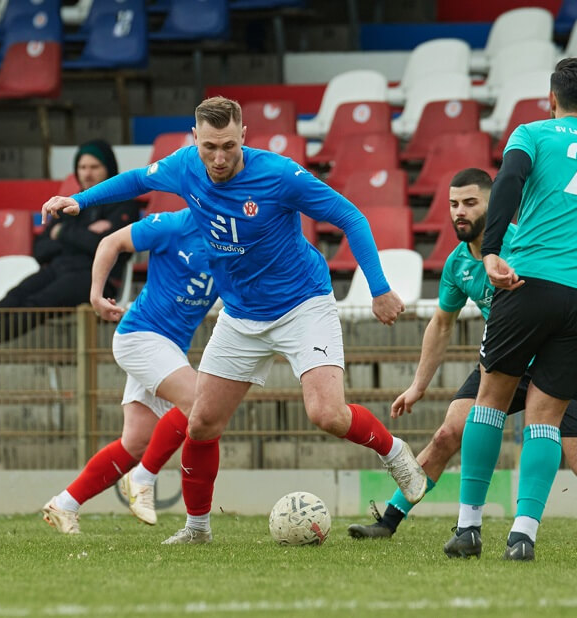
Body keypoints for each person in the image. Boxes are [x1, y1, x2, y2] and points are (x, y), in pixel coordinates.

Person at [43, 96, 428, 545]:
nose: (219, 158)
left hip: (302, 304)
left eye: (228, 145)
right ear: (195, 140)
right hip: (241, 315)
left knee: (326, 413)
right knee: (202, 422)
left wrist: (379, 288)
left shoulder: (279, 175)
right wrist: (80, 199)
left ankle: (396, 454)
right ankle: (197, 529)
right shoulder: (185, 166)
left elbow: (349, 216)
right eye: (209, 147)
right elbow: (133, 181)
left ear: (243, 135)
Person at [346, 168, 577, 543]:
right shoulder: (457, 264)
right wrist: (417, 385)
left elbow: (567, 304)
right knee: (448, 433)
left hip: (552, 364)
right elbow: (442, 324)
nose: (459, 212)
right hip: (501, 364)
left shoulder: (526, 245)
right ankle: (390, 520)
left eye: (469, 203)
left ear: (493, 205)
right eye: (453, 204)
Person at [444, 58, 577, 562]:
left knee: (490, 399)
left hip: (530, 282)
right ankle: (523, 535)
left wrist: (491, 251)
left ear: (550, 99)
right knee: (546, 420)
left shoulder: (532, 133)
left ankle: (468, 528)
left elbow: (508, 182)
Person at [41, 208, 216, 533]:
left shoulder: (236, 243)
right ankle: (143, 479)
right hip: (140, 336)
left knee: (135, 443)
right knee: (202, 404)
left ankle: (64, 504)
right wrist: (95, 295)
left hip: (169, 349)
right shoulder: (174, 224)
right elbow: (110, 242)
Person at [0, 140, 138, 341]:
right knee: (17, 293)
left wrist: (62, 232)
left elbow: (106, 246)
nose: (87, 173)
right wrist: (86, 234)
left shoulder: (124, 204)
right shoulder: (70, 203)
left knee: (40, 302)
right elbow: (40, 249)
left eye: (95, 167)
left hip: (95, 277)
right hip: (59, 268)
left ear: (109, 168)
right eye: (82, 167)